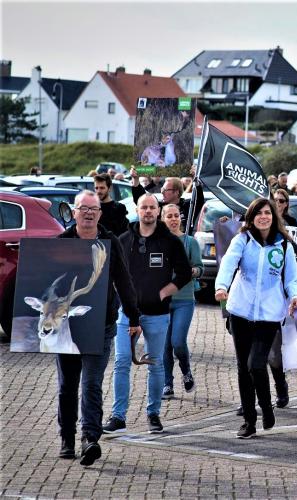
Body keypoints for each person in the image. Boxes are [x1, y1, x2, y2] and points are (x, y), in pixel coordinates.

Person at [56, 191, 141, 466]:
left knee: (91, 383)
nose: (89, 213)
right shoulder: (61, 243)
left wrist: (134, 316)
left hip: (100, 325)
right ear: (75, 211)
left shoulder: (110, 242)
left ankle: (89, 438)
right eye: (83, 209)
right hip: (67, 328)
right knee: (67, 386)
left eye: (93, 209)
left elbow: (125, 280)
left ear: (100, 214)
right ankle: (67, 439)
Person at [215, 197, 297, 439]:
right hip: (240, 312)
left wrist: (296, 295)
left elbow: (292, 278)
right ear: (251, 217)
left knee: (256, 363)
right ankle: (249, 421)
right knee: (244, 368)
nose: (263, 217)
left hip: (269, 314)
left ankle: (266, 406)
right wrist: (221, 286)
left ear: (274, 216)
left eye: (267, 212)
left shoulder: (283, 245)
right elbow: (228, 264)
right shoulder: (242, 240)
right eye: (258, 213)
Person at [104, 194, 192, 435]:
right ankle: (118, 416)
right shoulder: (123, 240)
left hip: (158, 315)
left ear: (158, 210)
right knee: (122, 362)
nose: (148, 211)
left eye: (153, 207)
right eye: (144, 207)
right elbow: (112, 275)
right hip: (126, 315)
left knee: (155, 364)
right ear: (138, 209)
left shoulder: (170, 242)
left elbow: (184, 273)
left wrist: (166, 292)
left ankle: (153, 414)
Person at [160, 204, 204, 400]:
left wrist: (193, 271)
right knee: (164, 344)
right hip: (161, 300)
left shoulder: (190, 242)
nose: (173, 219)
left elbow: (200, 268)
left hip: (184, 299)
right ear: (162, 219)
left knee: (177, 342)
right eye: (169, 216)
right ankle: (167, 383)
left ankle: (186, 370)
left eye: (176, 215)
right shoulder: (157, 242)